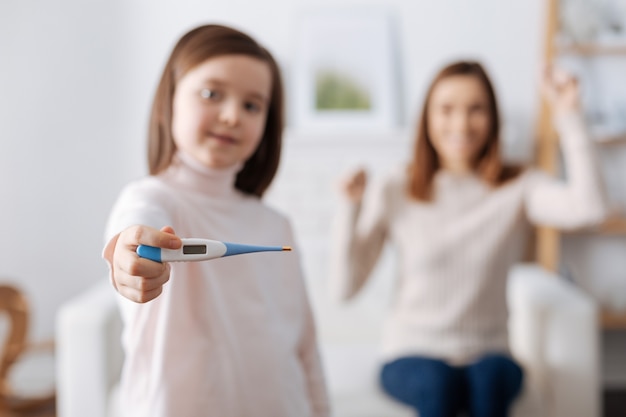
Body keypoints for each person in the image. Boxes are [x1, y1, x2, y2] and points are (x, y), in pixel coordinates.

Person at [330, 61, 607, 417]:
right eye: (446, 110)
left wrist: (569, 116)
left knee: (487, 378)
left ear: (493, 118)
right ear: (427, 118)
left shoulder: (518, 185)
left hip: (491, 354)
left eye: (476, 109)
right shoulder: (396, 187)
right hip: (411, 354)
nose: (460, 124)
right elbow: (344, 289)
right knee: (439, 383)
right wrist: (350, 208)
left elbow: (591, 208)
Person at [102, 24, 329, 417]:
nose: (231, 116)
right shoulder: (152, 199)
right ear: (170, 99)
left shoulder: (277, 225)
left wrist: (320, 408)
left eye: (252, 105)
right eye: (212, 94)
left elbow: (304, 341)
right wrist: (128, 257)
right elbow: (134, 231)